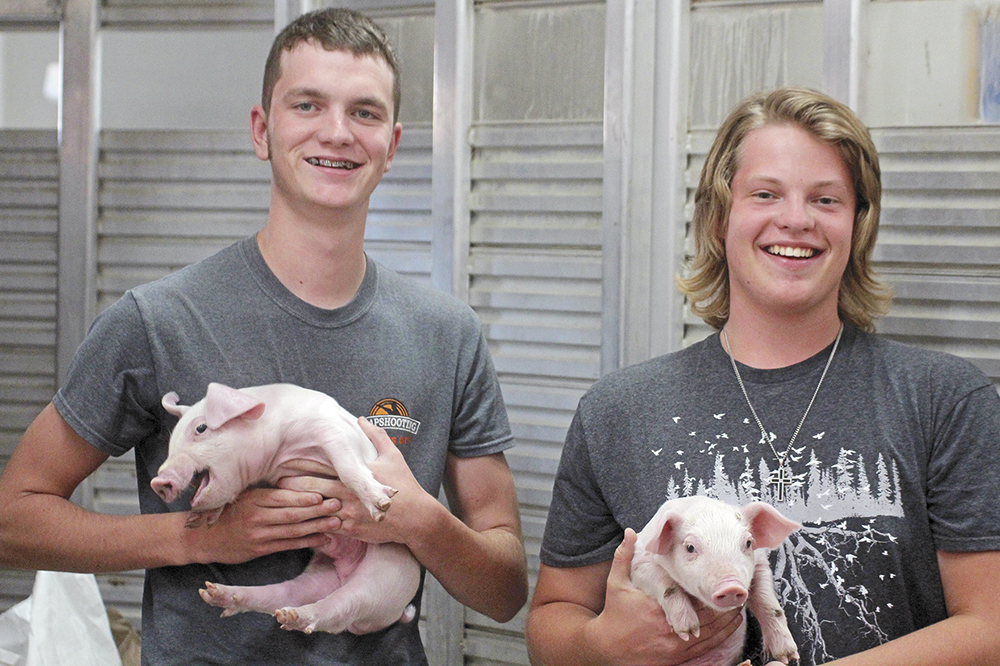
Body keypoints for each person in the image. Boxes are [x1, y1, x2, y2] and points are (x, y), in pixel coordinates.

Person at [0, 8, 527, 665]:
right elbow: (12, 519)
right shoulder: (157, 320)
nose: (336, 132)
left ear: (391, 146)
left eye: (364, 113)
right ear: (262, 130)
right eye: (307, 104)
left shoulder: (447, 336)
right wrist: (196, 537)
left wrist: (416, 519)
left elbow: (505, 589)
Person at [526, 86, 1000, 666]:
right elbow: (551, 623)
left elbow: (990, 627)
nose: (795, 220)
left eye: (826, 200)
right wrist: (602, 646)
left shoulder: (946, 400)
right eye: (766, 193)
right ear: (718, 216)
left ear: (857, 225)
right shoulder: (616, 411)